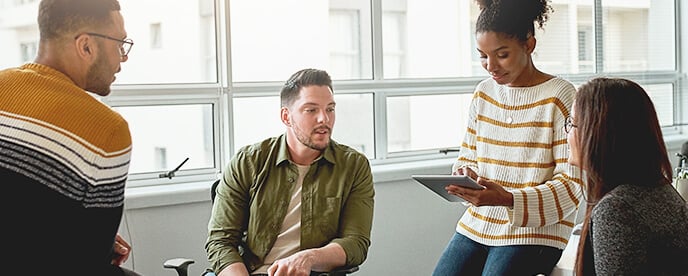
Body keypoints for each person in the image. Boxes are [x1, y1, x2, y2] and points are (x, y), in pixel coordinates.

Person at [432, 0, 584, 275]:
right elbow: (468, 156)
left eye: (502, 54)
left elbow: (572, 185)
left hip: (536, 234)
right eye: (482, 55)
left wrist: (509, 199)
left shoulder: (560, 96)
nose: (491, 66)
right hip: (477, 225)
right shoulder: (483, 93)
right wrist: (466, 174)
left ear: (529, 44)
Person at [0, 0, 140, 275]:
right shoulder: (107, 131)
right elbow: (90, 261)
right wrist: (101, 243)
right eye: (119, 44)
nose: (123, 58)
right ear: (86, 46)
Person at [205, 68, 375, 276]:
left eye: (330, 109)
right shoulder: (248, 162)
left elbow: (355, 243)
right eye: (311, 110)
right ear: (286, 116)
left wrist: (309, 258)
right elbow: (221, 242)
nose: (324, 119)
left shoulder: (353, 166)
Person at [569, 77, 688, 275]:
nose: (567, 133)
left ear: (598, 134)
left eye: (572, 124)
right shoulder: (657, 190)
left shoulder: (617, 210)